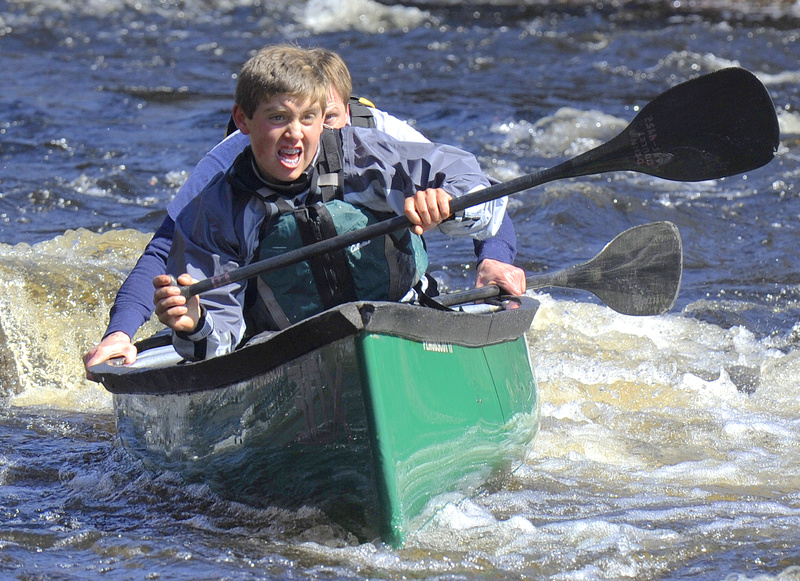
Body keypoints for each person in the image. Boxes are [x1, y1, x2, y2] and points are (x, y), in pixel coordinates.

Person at [83, 46, 523, 373]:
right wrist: (182, 325)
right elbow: (172, 262)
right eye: (277, 118)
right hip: (287, 343)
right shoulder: (219, 194)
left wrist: (456, 217)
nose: (296, 134)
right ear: (244, 121)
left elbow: (480, 189)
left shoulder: (373, 147)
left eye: (313, 118)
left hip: (398, 323)